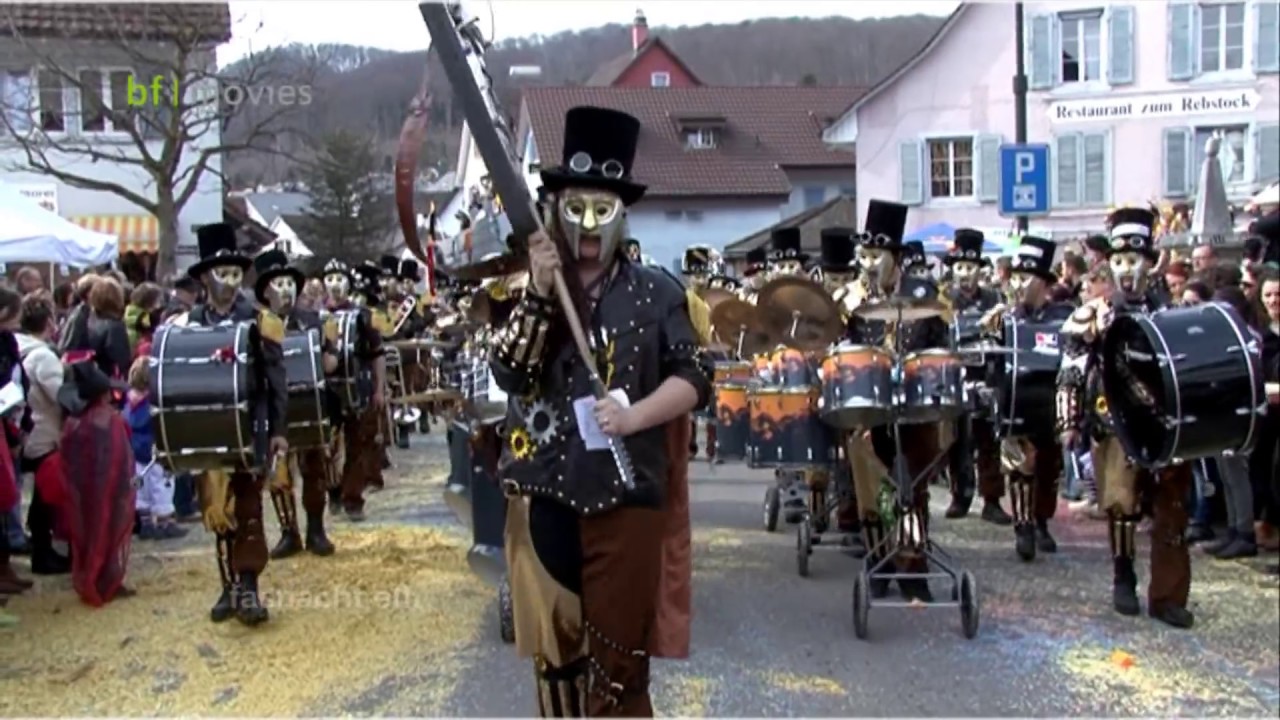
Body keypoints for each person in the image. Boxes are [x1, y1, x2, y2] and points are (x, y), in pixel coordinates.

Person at [490, 105, 705, 716]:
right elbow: (509, 372)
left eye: (602, 209)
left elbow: (696, 378)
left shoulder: (658, 292)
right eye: (575, 206)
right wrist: (536, 293)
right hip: (544, 492)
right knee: (556, 665)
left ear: (621, 214)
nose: (587, 224)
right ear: (555, 208)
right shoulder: (528, 288)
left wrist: (635, 417)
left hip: (626, 497)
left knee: (618, 666)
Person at [1057, 206, 1194, 629]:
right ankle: (1123, 575)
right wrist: (1068, 421)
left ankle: (1168, 596)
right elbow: (1071, 369)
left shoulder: (1172, 312)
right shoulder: (1092, 314)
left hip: (1165, 424)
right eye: (1118, 262)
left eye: (1133, 261)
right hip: (1112, 421)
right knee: (1121, 506)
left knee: (1171, 510)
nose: (1125, 270)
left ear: (1150, 263)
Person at [182, 223, 289, 626]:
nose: (229, 282)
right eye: (221, 274)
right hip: (208, 430)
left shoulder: (260, 319)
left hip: (252, 425)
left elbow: (277, 377)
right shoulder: (189, 321)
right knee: (216, 509)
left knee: (247, 508)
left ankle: (249, 588)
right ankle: (228, 587)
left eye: (234, 274)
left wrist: (279, 430)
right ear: (206, 277)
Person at [843, 199, 950, 601]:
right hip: (870, 408)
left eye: (875, 256)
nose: (868, 264)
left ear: (895, 257)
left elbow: (941, 348)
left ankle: (913, 566)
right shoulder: (858, 302)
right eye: (864, 256)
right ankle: (879, 562)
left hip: (916, 408)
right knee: (871, 490)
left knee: (909, 490)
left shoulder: (924, 294)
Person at [979, 237, 1074, 560]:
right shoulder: (1004, 316)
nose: (1018, 285)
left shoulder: (1064, 313)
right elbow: (990, 360)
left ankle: (1042, 522)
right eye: (1015, 278)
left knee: (1049, 468)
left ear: (1044, 283)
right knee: (1019, 467)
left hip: (1049, 402)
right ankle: (1023, 528)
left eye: (1026, 278)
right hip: (1015, 401)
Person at [251, 250, 338, 558]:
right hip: (275, 411)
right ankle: (289, 533)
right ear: (265, 291)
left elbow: (330, 365)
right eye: (279, 283)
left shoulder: (313, 321)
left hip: (310, 406)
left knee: (314, 469)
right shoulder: (255, 326)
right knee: (279, 472)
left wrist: (333, 347)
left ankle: (316, 530)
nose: (286, 289)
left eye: (289, 283)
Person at [942, 228, 1010, 524]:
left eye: (970, 268)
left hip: (987, 377)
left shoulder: (995, 297)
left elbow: (1004, 334)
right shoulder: (943, 300)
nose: (965, 274)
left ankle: (992, 500)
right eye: (960, 268)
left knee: (989, 442)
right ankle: (960, 497)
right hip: (955, 378)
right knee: (957, 443)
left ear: (980, 270)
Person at [57, 359, 135, 606]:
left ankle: (89, 576)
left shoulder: (74, 421)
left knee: (87, 532)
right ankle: (105, 579)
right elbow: (121, 458)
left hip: (83, 489)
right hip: (108, 487)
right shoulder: (109, 420)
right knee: (108, 530)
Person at [322, 259, 388, 522]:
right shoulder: (315, 316)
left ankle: (353, 499)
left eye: (340, 279)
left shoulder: (363, 316)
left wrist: (379, 388)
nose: (335, 285)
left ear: (348, 284)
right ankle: (333, 490)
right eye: (330, 279)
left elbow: (378, 354)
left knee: (357, 445)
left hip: (357, 389)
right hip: (326, 392)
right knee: (327, 447)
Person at [16, 293, 71, 574]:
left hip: (27, 432)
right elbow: (61, 396)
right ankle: (43, 553)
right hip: (43, 434)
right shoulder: (43, 356)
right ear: (49, 322)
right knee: (44, 498)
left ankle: (41, 548)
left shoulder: (19, 348)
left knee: (37, 496)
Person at [124, 356, 187, 541]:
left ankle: (145, 523)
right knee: (162, 484)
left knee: (140, 487)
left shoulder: (128, 402)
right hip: (154, 450)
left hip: (134, 451)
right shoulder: (152, 403)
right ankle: (164, 522)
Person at [0, 287, 34, 600]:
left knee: (9, 495)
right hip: (4, 425)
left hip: (13, 421)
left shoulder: (9, 342)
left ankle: (5, 567)